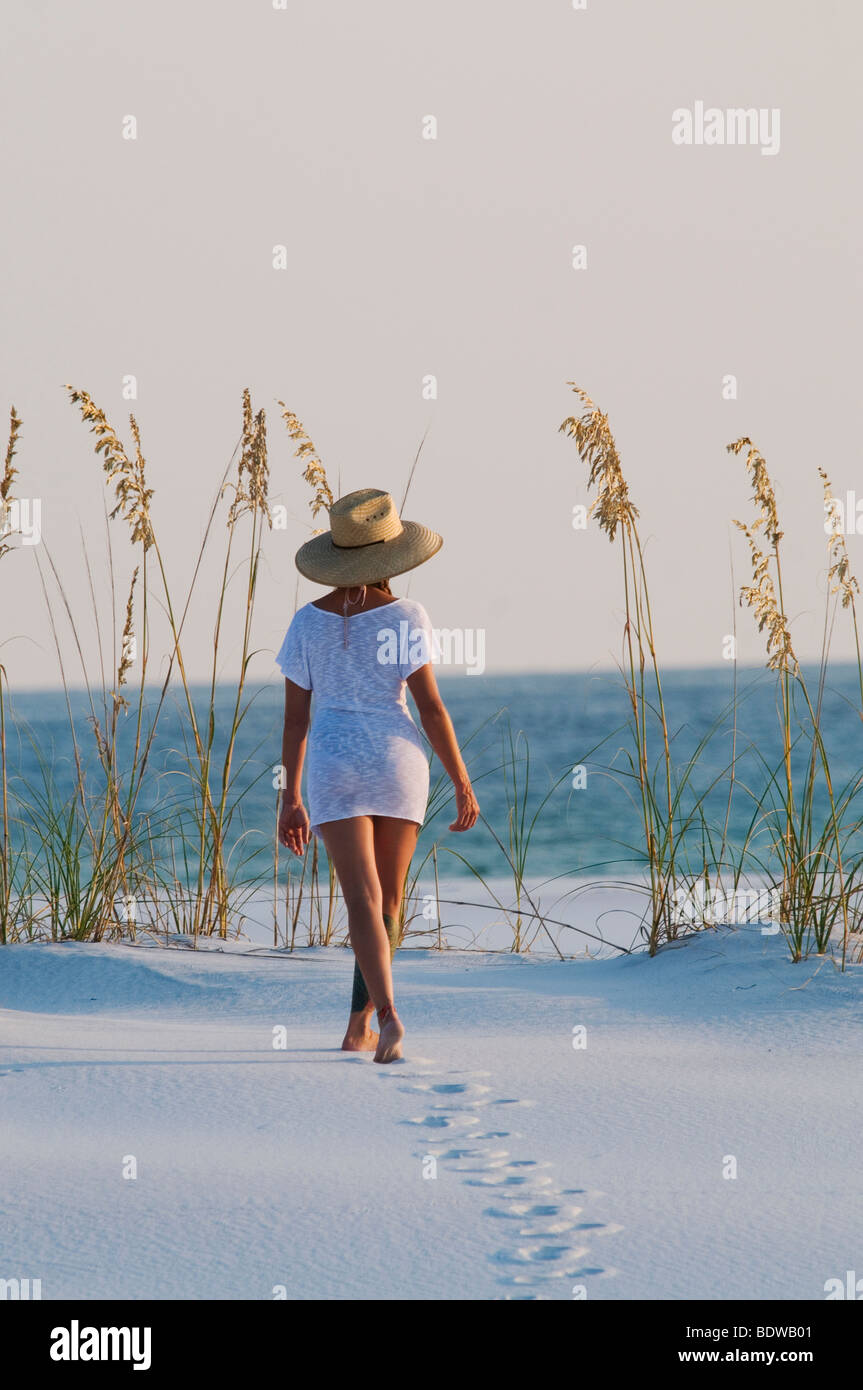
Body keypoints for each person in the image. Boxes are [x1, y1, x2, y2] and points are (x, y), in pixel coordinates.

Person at [276, 487, 479, 1063]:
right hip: (398, 760)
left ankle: (373, 1021)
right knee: (389, 902)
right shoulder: (407, 616)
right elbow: (431, 708)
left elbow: (296, 720)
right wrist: (461, 782)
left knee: (363, 900)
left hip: (335, 761)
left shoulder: (305, 623)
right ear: (392, 554)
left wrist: (290, 795)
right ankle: (370, 1020)